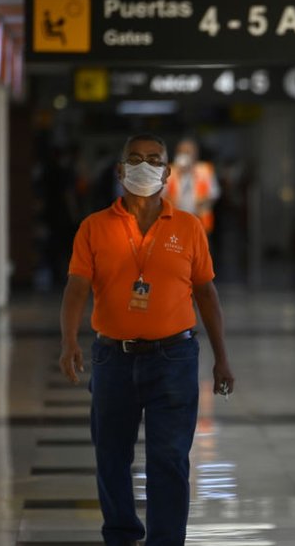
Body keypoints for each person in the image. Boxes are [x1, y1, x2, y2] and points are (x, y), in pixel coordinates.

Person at [58, 133, 235, 546]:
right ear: (120, 171)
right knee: (111, 458)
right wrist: (69, 341)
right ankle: (121, 535)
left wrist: (222, 358)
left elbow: (207, 294)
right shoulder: (94, 227)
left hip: (173, 357)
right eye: (134, 159)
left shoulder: (189, 227)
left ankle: (166, 539)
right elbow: (76, 288)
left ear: (167, 172)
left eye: (153, 159)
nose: (144, 166)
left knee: (169, 460)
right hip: (112, 359)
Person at [164, 138, 220, 234]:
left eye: (188, 152)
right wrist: (180, 174)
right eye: (181, 151)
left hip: (200, 224)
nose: (184, 154)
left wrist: (202, 206)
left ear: (196, 154)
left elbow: (214, 194)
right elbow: (161, 195)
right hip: (175, 223)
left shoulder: (205, 170)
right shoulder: (169, 171)